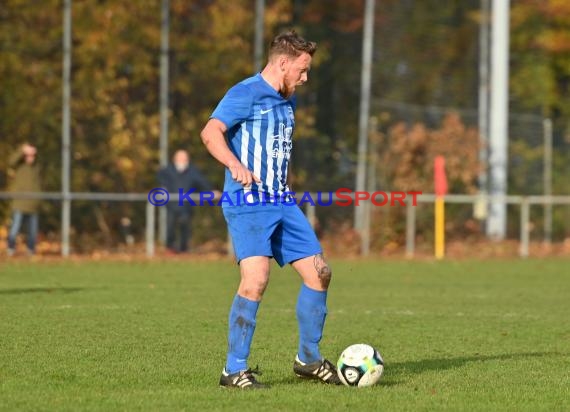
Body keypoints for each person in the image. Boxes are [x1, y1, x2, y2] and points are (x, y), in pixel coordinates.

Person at [200, 30, 340, 389]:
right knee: (257, 279)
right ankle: (234, 369)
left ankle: (308, 360)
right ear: (282, 63)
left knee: (320, 273)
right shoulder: (244, 93)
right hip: (247, 201)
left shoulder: (287, 100)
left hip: (282, 200)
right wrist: (234, 164)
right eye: (302, 70)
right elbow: (210, 132)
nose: (305, 78)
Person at [157, 149, 218, 254]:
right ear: (175, 159)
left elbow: (202, 182)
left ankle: (183, 249)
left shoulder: (192, 171)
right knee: (170, 226)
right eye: (181, 159)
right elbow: (161, 181)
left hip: (186, 205)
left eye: (185, 159)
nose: (183, 161)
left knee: (185, 226)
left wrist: (211, 191)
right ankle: (169, 248)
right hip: (171, 205)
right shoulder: (167, 171)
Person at [6, 143, 41, 256]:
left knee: (32, 231)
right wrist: (22, 150)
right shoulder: (20, 166)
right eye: (28, 155)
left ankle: (31, 250)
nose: (31, 158)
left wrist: (34, 151)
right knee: (15, 228)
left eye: (33, 155)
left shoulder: (37, 167)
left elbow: (41, 158)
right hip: (20, 203)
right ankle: (11, 248)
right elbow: (11, 161)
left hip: (33, 204)